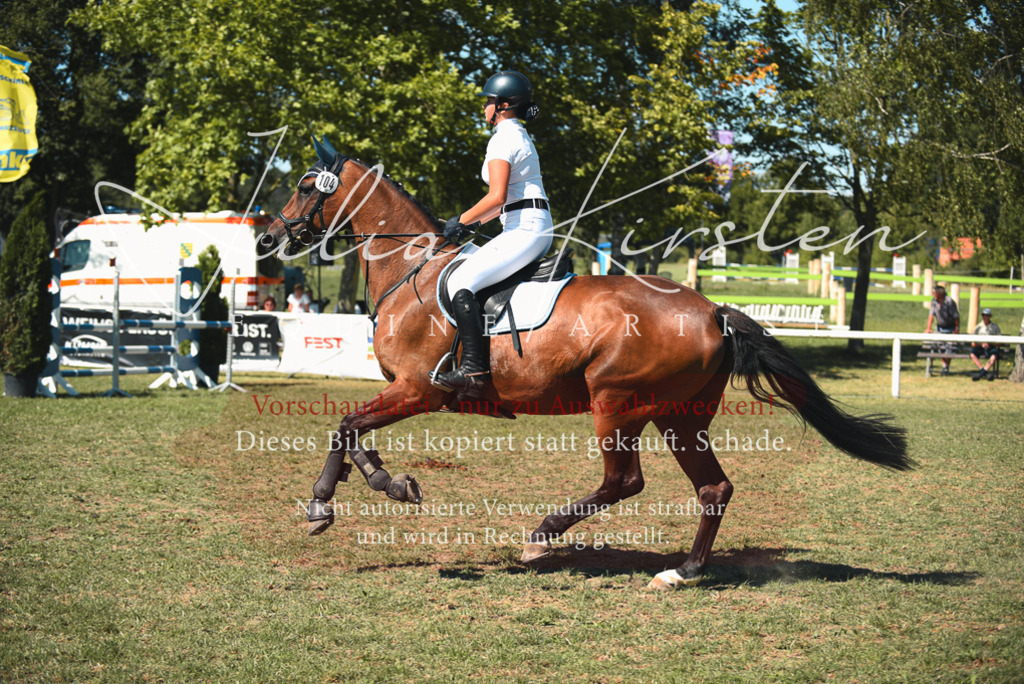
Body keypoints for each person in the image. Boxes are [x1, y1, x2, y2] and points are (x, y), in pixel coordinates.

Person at [430, 70, 551, 401]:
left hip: (526, 228)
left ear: (503, 105)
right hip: (526, 223)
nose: (483, 107)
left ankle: (473, 372)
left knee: (460, 282)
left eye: (488, 101)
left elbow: (496, 197)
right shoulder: (516, 135)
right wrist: (471, 225)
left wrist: (461, 220)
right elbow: (503, 204)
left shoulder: (503, 138)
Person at [924, 285, 959, 375]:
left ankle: (946, 366)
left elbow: (956, 316)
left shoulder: (949, 302)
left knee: (949, 348)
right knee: (941, 348)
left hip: (950, 327)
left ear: (939, 293)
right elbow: (931, 315)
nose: (933, 294)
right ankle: (945, 365)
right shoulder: (934, 301)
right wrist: (928, 328)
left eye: (934, 292)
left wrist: (956, 329)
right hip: (940, 327)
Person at [970, 308, 1001, 381]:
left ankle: (980, 374)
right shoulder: (978, 327)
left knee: (994, 356)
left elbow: (999, 341)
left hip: (991, 347)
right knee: (972, 353)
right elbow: (973, 343)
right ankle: (984, 371)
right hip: (980, 347)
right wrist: (981, 344)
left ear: (990, 316)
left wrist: (990, 344)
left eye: (986, 315)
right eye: (983, 315)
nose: (984, 317)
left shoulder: (995, 327)